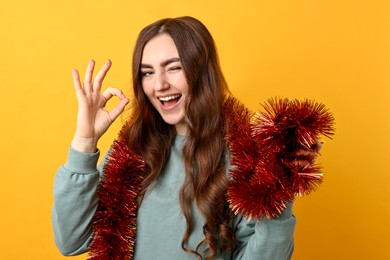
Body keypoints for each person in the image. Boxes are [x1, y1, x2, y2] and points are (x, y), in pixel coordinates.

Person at [52, 16, 332, 260]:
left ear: (202, 71)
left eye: (173, 68)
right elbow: (72, 242)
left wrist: (278, 190)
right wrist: (84, 142)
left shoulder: (244, 157)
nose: (159, 84)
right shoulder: (132, 154)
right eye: (147, 72)